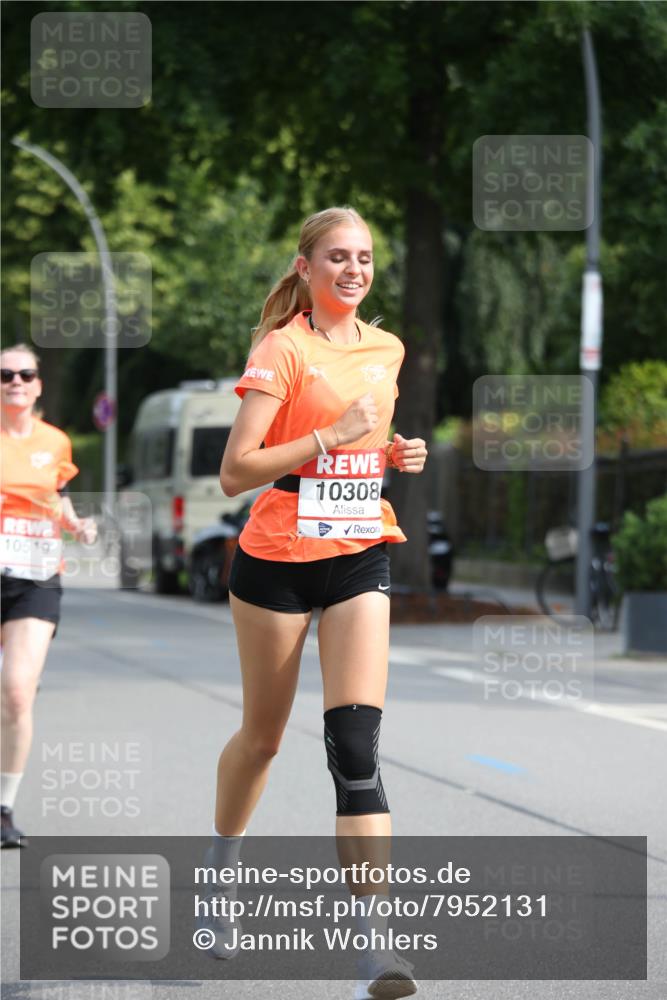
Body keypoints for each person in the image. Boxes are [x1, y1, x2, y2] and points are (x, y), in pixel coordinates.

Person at [201, 207, 427, 998]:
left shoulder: (385, 347)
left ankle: (375, 947)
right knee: (262, 741)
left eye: (363, 257)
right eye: (337, 256)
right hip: (277, 562)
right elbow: (237, 470)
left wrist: (392, 451)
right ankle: (220, 873)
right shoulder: (282, 348)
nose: (353, 269)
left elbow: (369, 438)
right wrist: (333, 435)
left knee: (356, 747)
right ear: (305, 267)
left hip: (361, 548)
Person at [1, 343, 97, 847]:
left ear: (38, 384)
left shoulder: (55, 442)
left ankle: (3, 810)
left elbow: (55, 498)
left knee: (17, 692)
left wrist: (77, 526)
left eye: (25, 374)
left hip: (34, 574)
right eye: (5, 374)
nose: (15, 381)